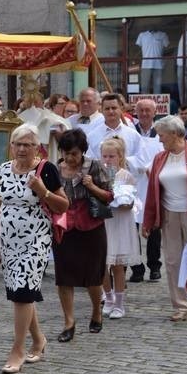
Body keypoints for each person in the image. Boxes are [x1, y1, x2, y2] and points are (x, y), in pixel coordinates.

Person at [0, 124, 68, 374]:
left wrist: (42, 191)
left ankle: (18, 349)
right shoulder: (3, 170)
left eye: (27, 144)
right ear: (11, 146)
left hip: (35, 239)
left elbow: (63, 206)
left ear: (37, 147)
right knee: (21, 291)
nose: (22, 149)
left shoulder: (46, 170)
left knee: (23, 291)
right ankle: (38, 339)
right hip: (9, 240)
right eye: (18, 144)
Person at [142, 115, 187, 321]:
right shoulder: (159, 158)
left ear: (175, 134)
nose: (159, 140)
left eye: (162, 135)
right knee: (173, 261)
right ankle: (181, 305)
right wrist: (148, 221)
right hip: (168, 215)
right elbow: (152, 192)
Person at [54, 129, 113, 342]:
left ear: (83, 152)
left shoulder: (94, 166)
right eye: (67, 153)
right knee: (64, 277)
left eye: (75, 154)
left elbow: (109, 196)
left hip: (91, 226)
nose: (70, 158)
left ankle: (96, 311)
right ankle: (68, 322)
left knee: (93, 277)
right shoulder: (54, 169)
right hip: (64, 227)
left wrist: (91, 186)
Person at [99, 137, 141, 319]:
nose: (108, 160)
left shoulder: (126, 176)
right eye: (105, 156)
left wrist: (123, 200)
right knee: (101, 264)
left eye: (111, 156)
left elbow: (129, 203)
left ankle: (119, 303)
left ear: (120, 157)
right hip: (104, 223)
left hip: (120, 224)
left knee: (117, 265)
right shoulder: (98, 175)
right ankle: (107, 297)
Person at [129, 98, 164, 282]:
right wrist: (141, 166)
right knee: (132, 228)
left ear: (154, 112)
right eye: (141, 110)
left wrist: (154, 169)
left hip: (153, 184)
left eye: (147, 111)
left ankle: (154, 265)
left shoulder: (161, 132)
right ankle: (136, 267)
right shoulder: (130, 132)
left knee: (154, 228)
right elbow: (126, 155)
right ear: (136, 112)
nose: (144, 114)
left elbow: (165, 154)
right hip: (134, 184)